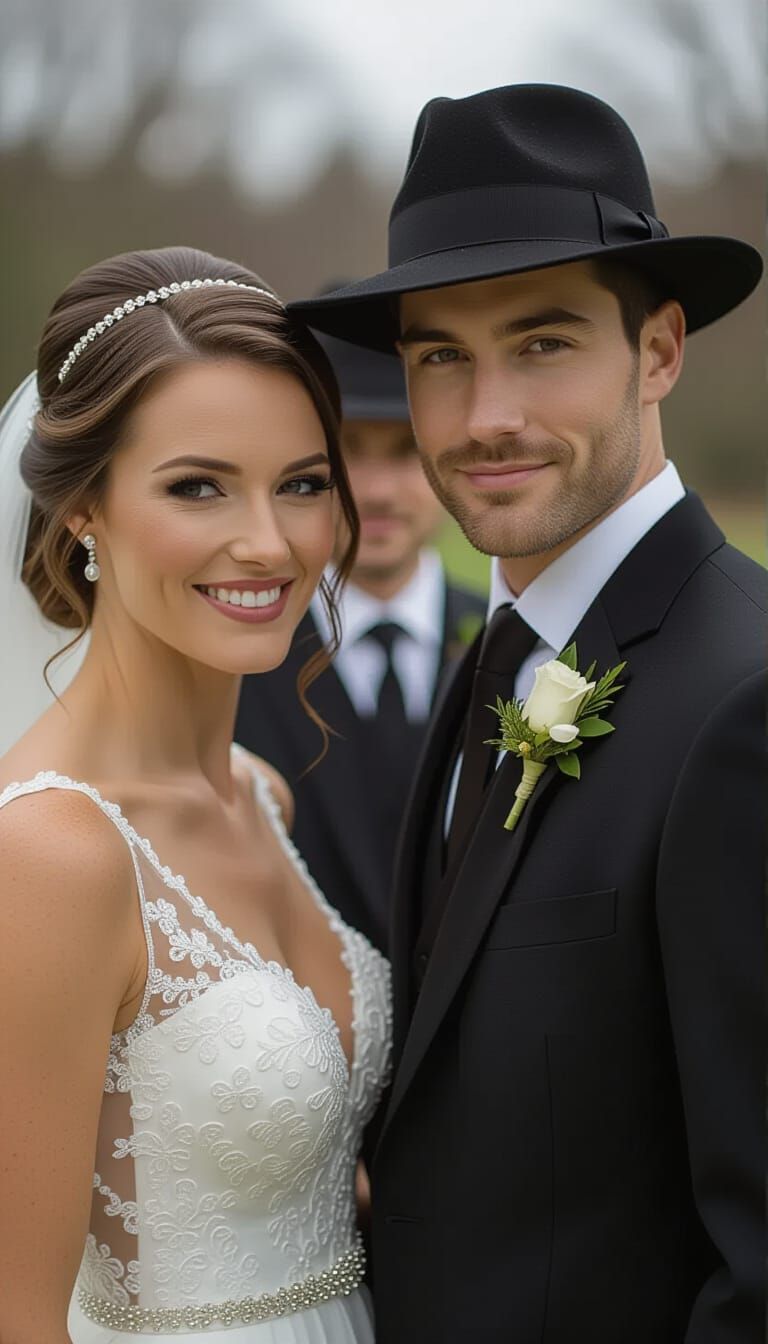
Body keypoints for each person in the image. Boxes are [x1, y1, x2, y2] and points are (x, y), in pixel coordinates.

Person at [290, 84, 766, 1342]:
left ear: (659, 351)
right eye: (440, 356)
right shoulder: (497, 653)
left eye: (543, 343)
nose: (484, 416)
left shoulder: (745, 701)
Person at [0, 246, 391, 1344]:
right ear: (83, 507)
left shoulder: (259, 795)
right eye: (197, 486)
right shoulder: (52, 856)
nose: (268, 542)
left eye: (303, 484)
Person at [235, 324, 485, 953]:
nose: (375, 492)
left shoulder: (516, 644)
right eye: (348, 450)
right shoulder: (235, 657)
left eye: (405, 450)